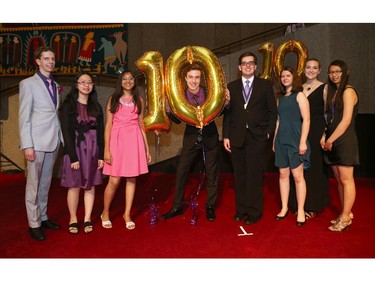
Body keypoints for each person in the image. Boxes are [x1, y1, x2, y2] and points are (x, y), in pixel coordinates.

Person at [161, 63, 229, 221]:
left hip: (210, 136)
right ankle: (177, 206)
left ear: (201, 78)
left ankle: (210, 206)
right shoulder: (181, 96)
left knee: (212, 173)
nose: (193, 81)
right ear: (185, 78)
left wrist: (226, 103)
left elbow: (220, 112)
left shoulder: (210, 92)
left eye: (197, 77)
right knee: (181, 171)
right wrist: (169, 109)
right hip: (191, 138)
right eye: (190, 77)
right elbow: (177, 121)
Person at [223, 51, 277, 225]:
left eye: (251, 63)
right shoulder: (231, 87)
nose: (247, 65)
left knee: (254, 176)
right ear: (239, 67)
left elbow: (272, 111)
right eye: (244, 63)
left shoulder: (265, 85)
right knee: (239, 176)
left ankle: (254, 212)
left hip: (258, 137)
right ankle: (241, 210)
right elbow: (228, 114)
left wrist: (268, 132)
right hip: (237, 137)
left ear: (255, 66)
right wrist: (225, 136)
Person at [18, 46, 64, 240]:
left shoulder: (54, 85)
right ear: (38, 61)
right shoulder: (28, 84)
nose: (50, 62)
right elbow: (24, 117)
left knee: (45, 184)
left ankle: (43, 216)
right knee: (33, 185)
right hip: (36, 143)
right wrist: (27, 144)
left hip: (53, 140)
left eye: (52, 59)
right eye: (46, 59)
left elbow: (54, 114)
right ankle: (33, 223)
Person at [100, 70, 151, 230]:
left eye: (130, 79)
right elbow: (108, 126)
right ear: (120, 82)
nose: (128, 81)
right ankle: (105, 212)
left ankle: (127, 214)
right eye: (124, 79)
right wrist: (106, 150)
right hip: (117, 141)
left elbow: (142, 125)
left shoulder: (139, 100)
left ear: (134, 82)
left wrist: (147, 149)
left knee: (131, 179)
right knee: (114, 180)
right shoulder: (112, 99)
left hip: (134, 142)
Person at [59, 72, 104, 234]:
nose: (86, 85)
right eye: (83, 82)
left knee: (90, 185)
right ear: (76, 84)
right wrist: (72, 157)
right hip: (75, 151)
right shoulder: (68, 106)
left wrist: (100, 155)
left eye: (90, 82)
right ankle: (73, 218)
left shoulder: (96, 107)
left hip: (92, 152)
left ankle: (87, 218)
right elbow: (66, 132)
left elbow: (100, 133)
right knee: (74, 186)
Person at [288, 58, 329, 219]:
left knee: (314, 168)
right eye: (308, 67)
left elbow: (328, 114)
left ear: (319, 71)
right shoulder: (298, 88)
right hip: (298, 131)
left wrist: (325, 133)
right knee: (298, 169)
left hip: (316, 132)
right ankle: (298, 204)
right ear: (303, 70)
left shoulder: (324, 88)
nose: (311, 70)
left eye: (314, 68)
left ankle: (312, 205)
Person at [321, 60, 359, 232]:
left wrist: (331, 140)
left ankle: (345, 217)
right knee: (338, 180)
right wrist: (324, 136)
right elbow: (329, 119)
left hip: (344, 140)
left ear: (346, 72)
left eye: (337, 72)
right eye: (331, 72)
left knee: (346, 179)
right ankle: (346, 212)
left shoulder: (348, 91)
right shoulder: (332, 92)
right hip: (332, 139)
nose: (334, 75)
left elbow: (346, 121)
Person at [273, 67, 310, 226]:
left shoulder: (300, 95)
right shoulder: (280, 98)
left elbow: (307, 120)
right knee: (283, 175)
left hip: (296, 140)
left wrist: (303, 141)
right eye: (282, 76)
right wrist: (275, 140)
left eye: (288, 75)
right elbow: (278, 121)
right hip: (281, 140)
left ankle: (301, 210)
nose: (285, 78)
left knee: (297, 176)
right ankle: (284, 207)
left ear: (293, 77)